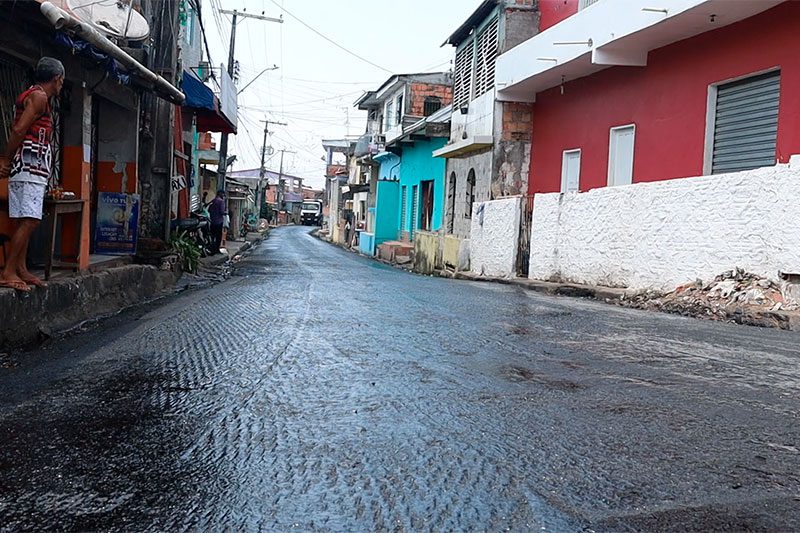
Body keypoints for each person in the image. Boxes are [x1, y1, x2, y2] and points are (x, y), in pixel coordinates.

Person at [0, 57, 65, 291]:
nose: (61, 86)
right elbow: (18, 129)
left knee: (23, 218)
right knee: (30, 219)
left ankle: (20, 268)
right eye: (62, 81)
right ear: (57, 79)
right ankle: (8, 271)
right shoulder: (39, 97)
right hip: (28, 166)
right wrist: (6, 159)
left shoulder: (34, 95)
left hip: (28, 167)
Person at [207, 190, 225, 254]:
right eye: (223, 194)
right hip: (219, 221)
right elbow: (222, 212)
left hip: (212, 221)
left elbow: (209, 210)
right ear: (220, 194)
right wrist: (226, 213)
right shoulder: (221, 202)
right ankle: (216, 249)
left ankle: (212, 249)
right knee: (218, 237)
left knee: (212, 236)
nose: (223, 196)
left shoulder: (213, 201)